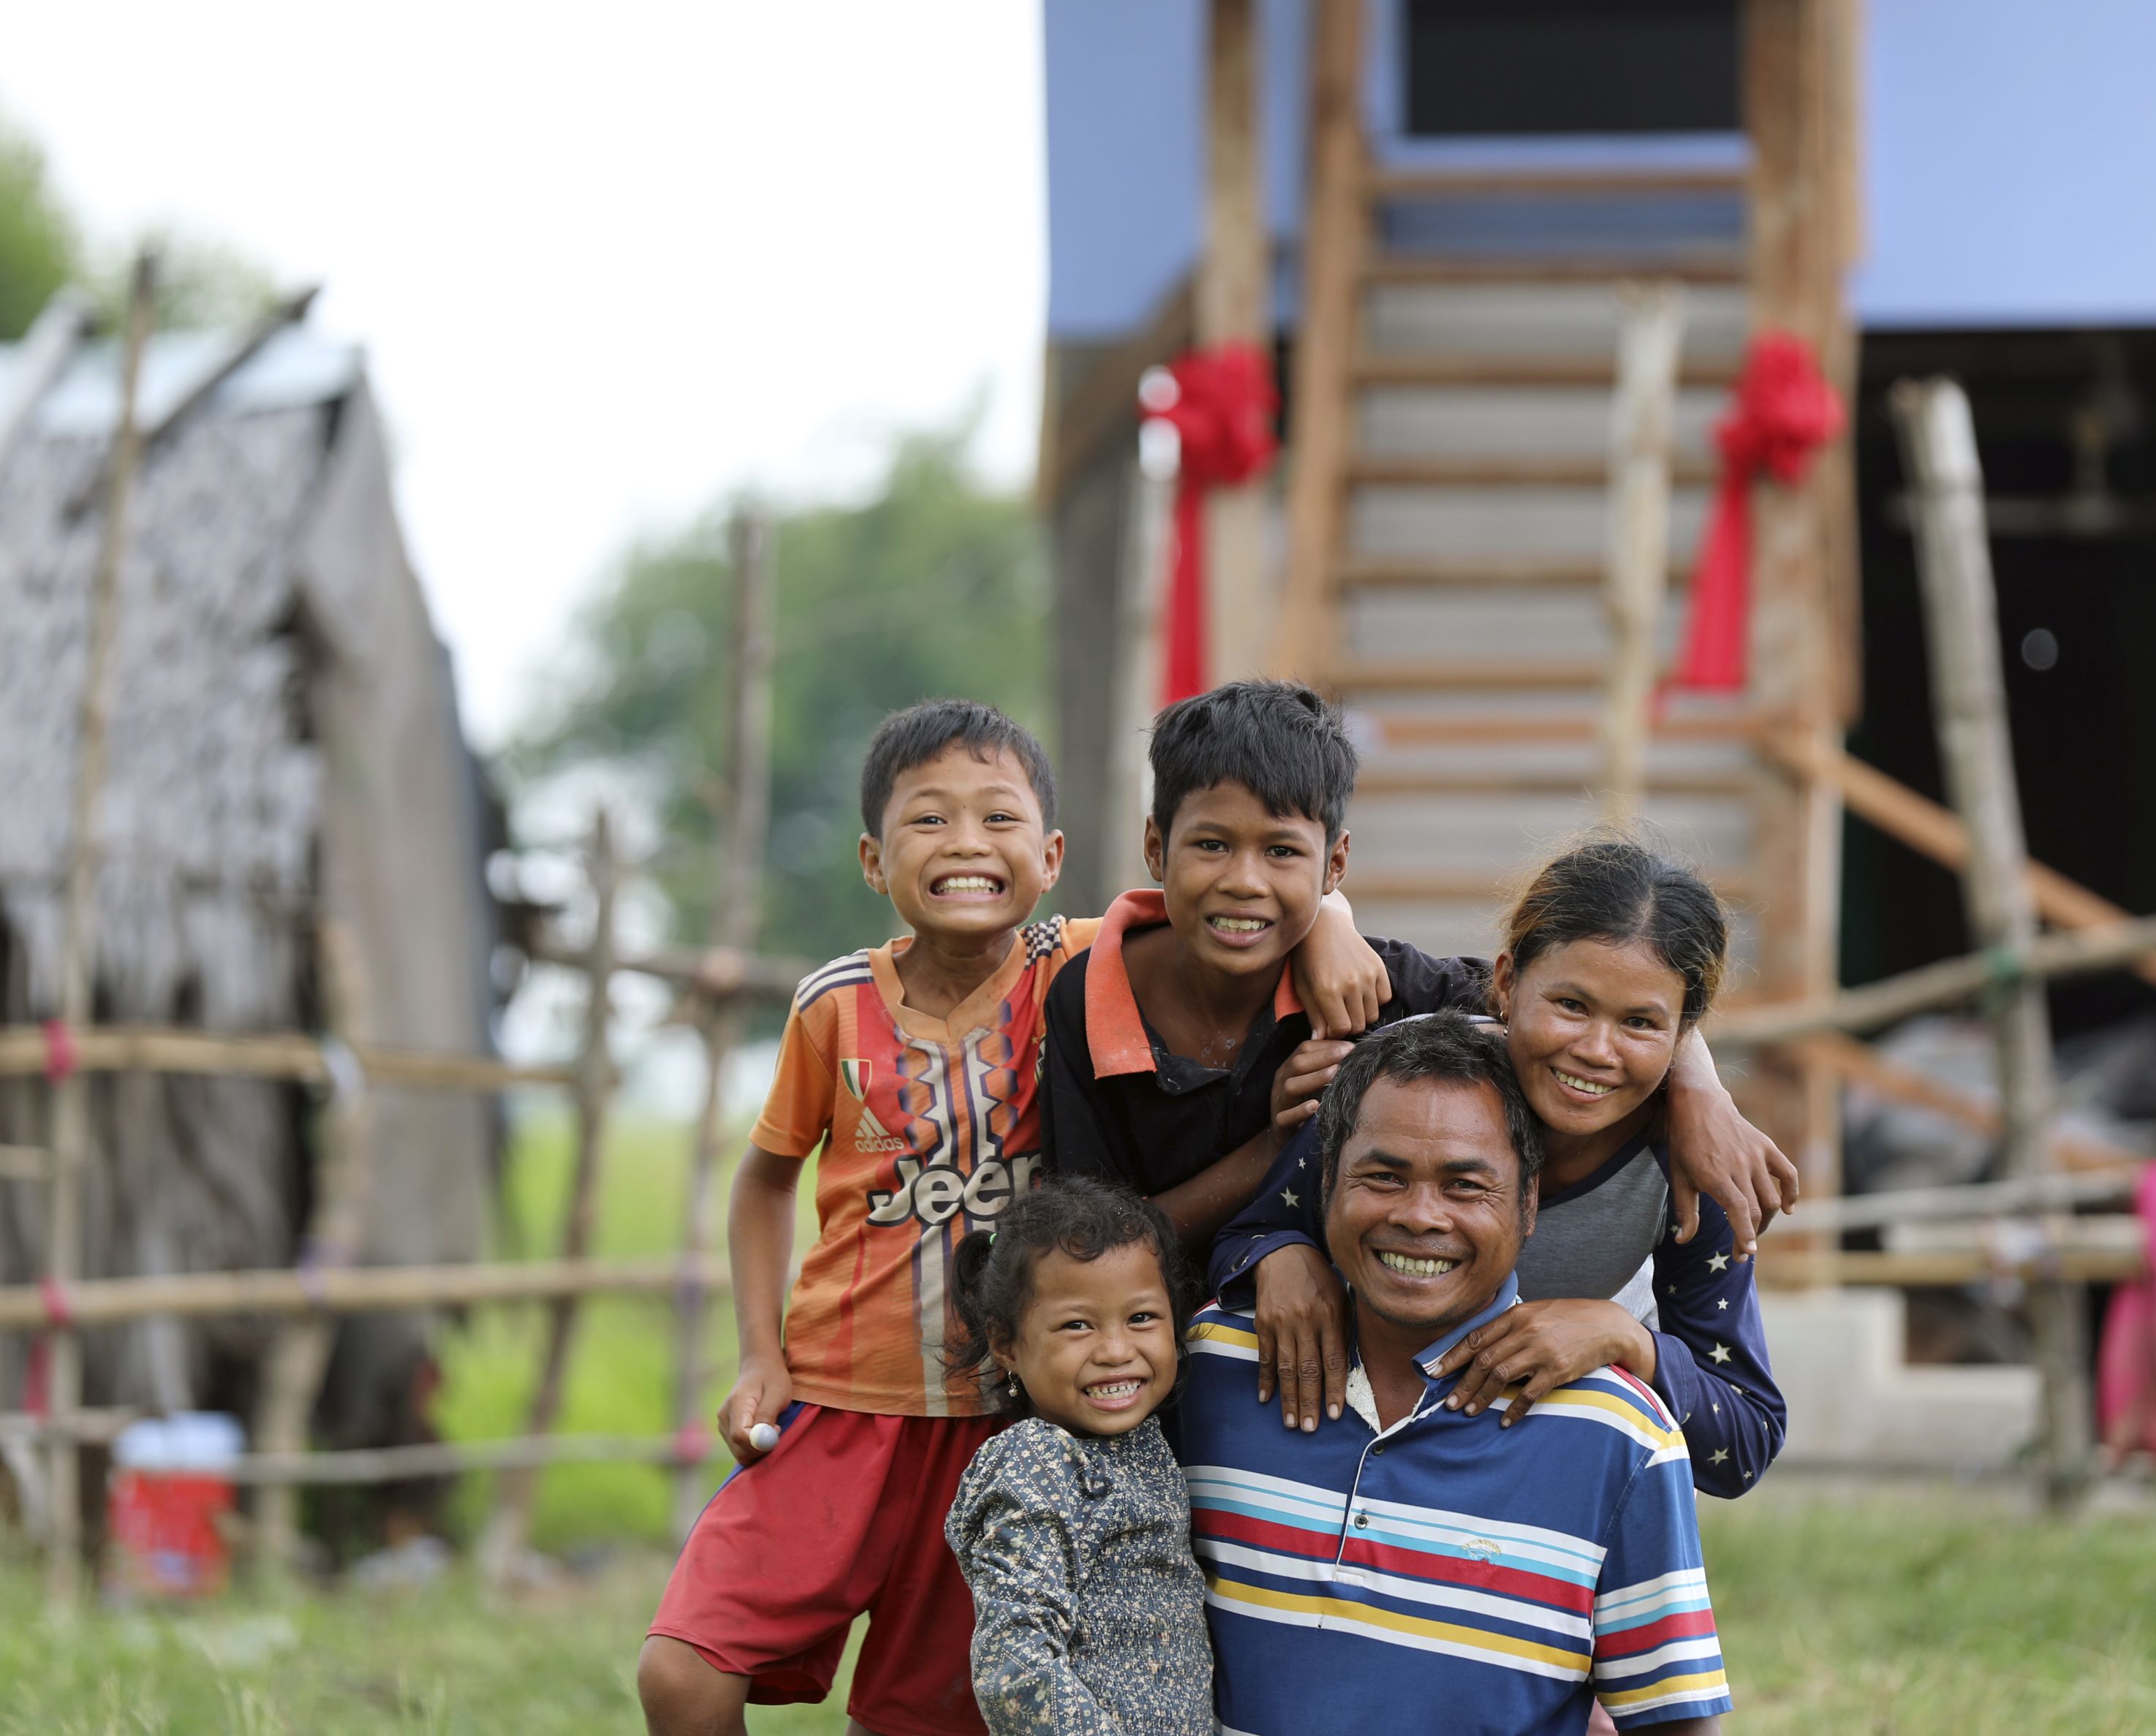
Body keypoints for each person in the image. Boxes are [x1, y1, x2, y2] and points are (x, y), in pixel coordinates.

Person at [638, 698, 1384, 1736]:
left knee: (924, 1715)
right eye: (928, 820)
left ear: (1051, 854)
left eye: (997, 819)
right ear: (871, 855)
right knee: (684, 1670)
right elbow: (764, 1178)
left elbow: (1238, 901)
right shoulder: (833, 1005)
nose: (965, 844)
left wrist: (1335, 924)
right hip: (841, 1399)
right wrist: (758, 1350)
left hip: (1008, 1415)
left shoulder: (1076, 967)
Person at [1039, 680, 1793, 1260]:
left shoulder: (1377, 989)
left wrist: (1698, 1087)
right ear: (1154, 846)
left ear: (1335, 862)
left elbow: (1565, 1002)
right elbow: (1095, 1245)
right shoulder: (1087, 998)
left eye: (1281, 851)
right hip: (1129, 1359)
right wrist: (1272, 1152)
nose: (1243, 880)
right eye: (1211, 845)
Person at [1171, 1014, 1732, 1735]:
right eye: (1383, 1176)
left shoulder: (1619, 1436)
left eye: (1466, 1186)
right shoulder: (1213, 1366)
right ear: (1326, 1181)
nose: (1420, 1215)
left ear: (1528, 1204)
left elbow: (1675, 1722)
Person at [1209, 835, 1784, 1498]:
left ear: (1684, 1034)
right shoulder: (1409, 1078)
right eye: (1570, 1004)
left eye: (1641, 1023)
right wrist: (1281, 1255)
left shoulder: (1686, 1168)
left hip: (1519, 1507)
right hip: (1335, 1454)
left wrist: (1625, 1338)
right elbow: (1241, 1237)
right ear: (1507, 983)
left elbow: (1745, 1438)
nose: (1596, 1050)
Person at [942, 1177, 1216, 1736]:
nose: (1117, 1351)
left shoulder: (1142, 1441)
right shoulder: (1038, 1462)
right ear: (1006, 1344)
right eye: (1077, 1325)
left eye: (1141, 1317)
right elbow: (1014, 1671)